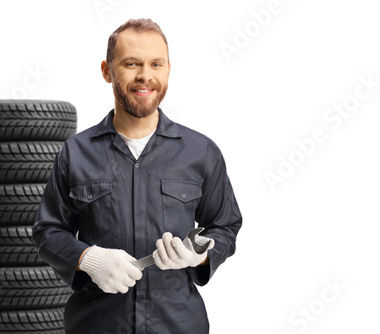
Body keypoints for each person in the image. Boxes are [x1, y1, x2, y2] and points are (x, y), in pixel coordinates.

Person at [32, 18, 242, 333]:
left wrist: (197, 255)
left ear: (168, 69)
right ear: (107, 71)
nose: (145, 76)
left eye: (156, 64)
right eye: (132, 64)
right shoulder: (75, 153)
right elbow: (48, 231)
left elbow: (225, 225)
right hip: (96, 325)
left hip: (177, 324)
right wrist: (88, 258)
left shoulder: (201, 152)